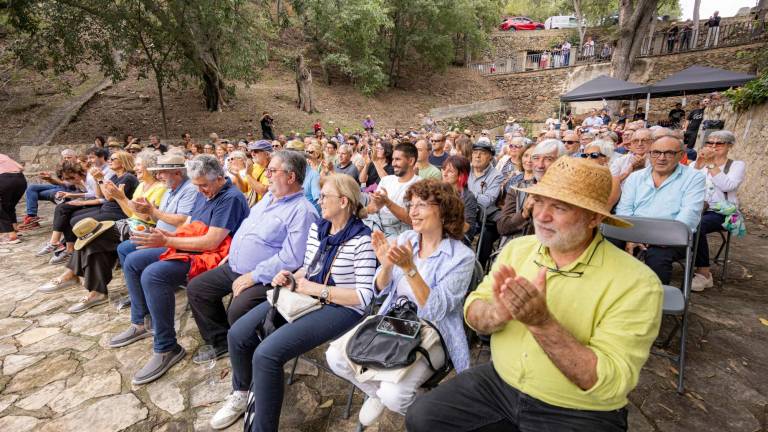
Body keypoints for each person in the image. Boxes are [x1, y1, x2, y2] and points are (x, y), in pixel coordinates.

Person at [407, 157, 663, 432]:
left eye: (560, 207)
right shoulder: (519, 250)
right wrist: (496, 314)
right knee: (422, 416)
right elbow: (473, 307)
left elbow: (609, 382)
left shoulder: (637, 282)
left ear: (594, 217)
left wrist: (542, 323)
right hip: (501, 382)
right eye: (539, 201)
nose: (541, 216)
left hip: (579, 408)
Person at [211, 174, 374, 431]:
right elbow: (307, 269)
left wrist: (315, 289)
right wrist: (289, 276)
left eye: (324, 197)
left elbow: (364, 297)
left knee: (266, 355)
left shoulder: (362, 239)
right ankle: (241, 394)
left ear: (343, 201)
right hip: (306, 295)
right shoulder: (318, 229)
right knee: (238, 334)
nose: (319, 201)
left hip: (343, 308)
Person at [327, 180, 475, 427]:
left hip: (432, 331)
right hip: (394, 321)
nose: (412, 212)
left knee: (394, 395)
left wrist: (409, 268)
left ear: (444, 210)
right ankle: (379, 394)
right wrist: (385, 266)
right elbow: (380, 290)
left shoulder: (461, 257)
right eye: (411, 204)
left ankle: (427, 412)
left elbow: (436, 309)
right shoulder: (407, 238)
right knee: (335, 357)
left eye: (421, 205)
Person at [110, 155, 249, 385]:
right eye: (197, 185)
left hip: (214, 255)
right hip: (195, 246)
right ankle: (140, 322)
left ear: (220, 178)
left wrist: (166, 241)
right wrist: (161, 230)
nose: (201, 191)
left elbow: (211, 243)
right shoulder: (205, 191)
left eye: (204, 185)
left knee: (154, 275)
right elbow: (188, 226)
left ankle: (166, 348)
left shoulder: (230, 197)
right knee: (133, 260)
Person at [185, 151, 318, 362]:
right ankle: (221, 342)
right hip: (235, 266)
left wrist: (253, 276)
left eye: (273, 171)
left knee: (239, 309)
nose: (267, 175)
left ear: (291, 177)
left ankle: (254, 355)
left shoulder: (303, 211)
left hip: (268, 278)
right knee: (197, 288)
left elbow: (292, 258)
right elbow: (247, 230)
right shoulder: (268, 198)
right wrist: (233, 253)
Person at [39, 151, 167, 306]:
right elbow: (130, 212)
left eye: (139, 164)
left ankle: (83, 282)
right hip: (129, 222)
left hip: (144, 228)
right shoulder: (141, 186)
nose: (136, 167)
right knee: (91, 238)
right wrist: (120, 197)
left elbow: (146, 218)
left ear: (150, 167)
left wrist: (120, 197)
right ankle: (93, 289)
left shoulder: (159, 188)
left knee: (93, 236)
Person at [615, 129, 706, 285]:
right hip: (635, 232)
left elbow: (689, 215)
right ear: (649, 154)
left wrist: (659, 238)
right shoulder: (636, 177)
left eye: (669, 153)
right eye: (656, 153)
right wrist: (632, 237)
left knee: (657, 258)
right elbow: (624, 211)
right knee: (604, 244)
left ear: (681, 155)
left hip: (669, 237)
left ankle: (653, 303)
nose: (661, 158)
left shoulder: (694, 177)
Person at [46, 151, 136, 265]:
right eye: (111, 159)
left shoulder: (127, 178)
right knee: (72, 216)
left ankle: (90, 253)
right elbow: (100, 194)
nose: (110, 161)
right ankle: (75, 250)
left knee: (76, 220)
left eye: (113, 159)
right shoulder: (115, 176)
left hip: (118, 212)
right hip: (107, 208)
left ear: (123, 163)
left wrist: (100, 179)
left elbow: (108, 197)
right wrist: (98, 180)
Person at [690, 131, 746, 291]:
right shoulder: (697, 164)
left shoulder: (736, 165)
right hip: (697, 207)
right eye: (709, 143)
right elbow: (688, 183)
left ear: (729, 146)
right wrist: (699, 163)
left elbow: (728, 186)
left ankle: (704, 274)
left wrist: (711, 164)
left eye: (719, 143)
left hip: (722, 212)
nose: (713, 146)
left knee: (697, 225)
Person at [497, 140, 563, 238]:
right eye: (536, 158)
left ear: (561, 162)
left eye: (548, 159)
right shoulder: (517, 188)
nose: (540, 165)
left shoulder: (568, 192)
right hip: (519, 248)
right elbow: (502, 227)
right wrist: (524, 213)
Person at [365, 142, 421, 237]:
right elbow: (371, 209)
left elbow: (413, 220)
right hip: (376, 226)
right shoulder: (386, 180)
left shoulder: (420, 185)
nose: (393, 163)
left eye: (398, 159)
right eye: (393, 159)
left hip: (399, 233)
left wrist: (387, 202)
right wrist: (373, 207)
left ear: (411, 161)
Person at [20, 149, 79, 230]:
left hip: (70, 190)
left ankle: (33, 219)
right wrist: (48, 178)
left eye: (69, 157)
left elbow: (68, 184)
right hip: (60, 186)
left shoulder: (78, 167)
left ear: (76, 157)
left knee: (44, 194)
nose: (66, 159)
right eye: (64, 158)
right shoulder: (63, 166)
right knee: (31, 188)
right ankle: (32, 217)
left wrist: (50, 179)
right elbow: (61, 182)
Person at [469, 138, 504, 268]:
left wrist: (467, 193)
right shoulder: (466, 169)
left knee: (486, 236)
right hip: (466, 213)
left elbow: (488, 201)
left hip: (485, 218)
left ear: (490, 157)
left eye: (482, 153)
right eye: (475, 152)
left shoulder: (496, 175)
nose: (477, 156)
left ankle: (479, 269)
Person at [441, 155, 479, 243]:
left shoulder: (468, 197)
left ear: (461, 175)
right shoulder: (439, 191)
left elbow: (469, 231)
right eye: (444, 169)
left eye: (450, 171)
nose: (444, 173)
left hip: (456, 240)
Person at [0, 153, 26, 245]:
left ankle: (11, 236)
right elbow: (21, 168)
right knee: (9, 205)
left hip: (3, 180)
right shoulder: (4, 156)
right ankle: (14, 228)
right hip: (20, 180)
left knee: (1, 209)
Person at [244, 140, 272, 206]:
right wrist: (236, 175)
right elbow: (244, 188)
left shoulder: (272, 168)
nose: (252, 154)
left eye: (256, 151)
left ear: (267, 154)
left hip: (265, 207)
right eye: (251, 151)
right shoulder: (254, 166)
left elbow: (264, 192)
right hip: (252, 206)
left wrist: (248, 175)